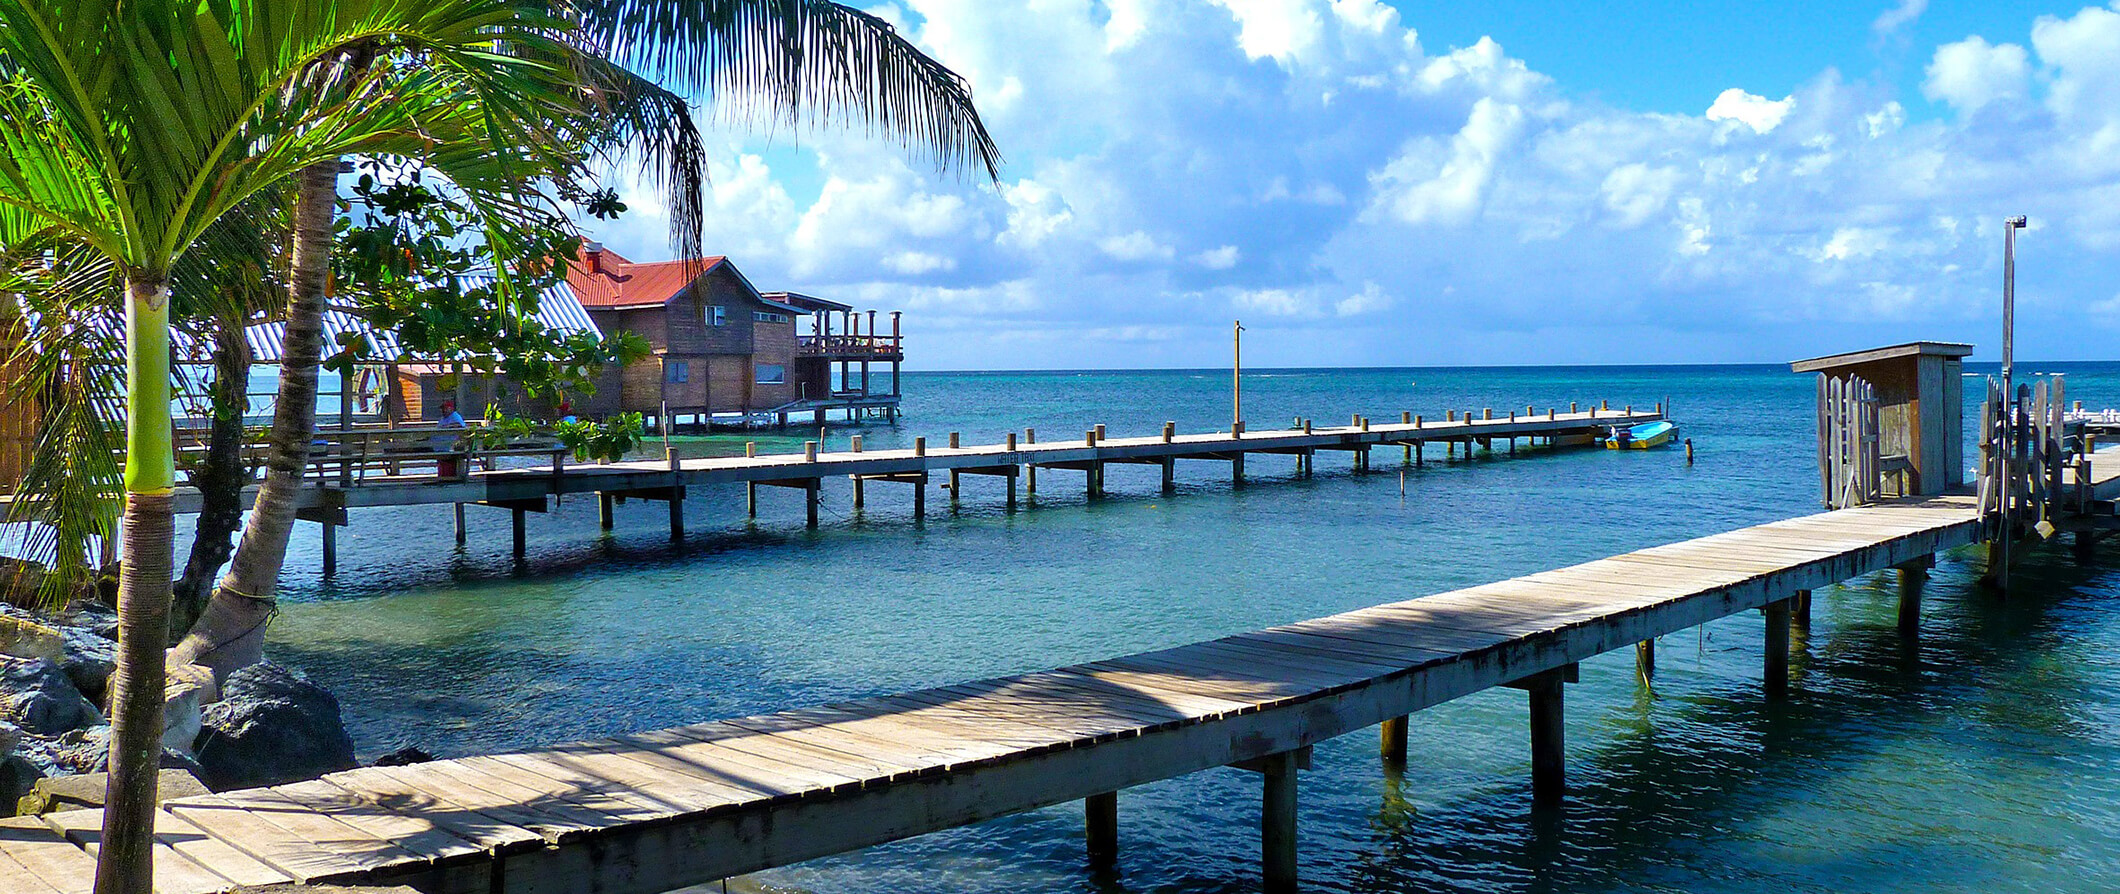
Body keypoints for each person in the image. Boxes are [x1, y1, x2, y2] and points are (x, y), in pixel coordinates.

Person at [433, 399, 465, 477]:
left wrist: (448, 427)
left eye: (445, 408)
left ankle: (448, 477)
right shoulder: (443, 418)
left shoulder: (455, 416)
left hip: (449, 447)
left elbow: (460, 426)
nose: (443, 410)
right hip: (438, 446)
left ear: (451, 408)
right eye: (442, 409)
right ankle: (443, 476)